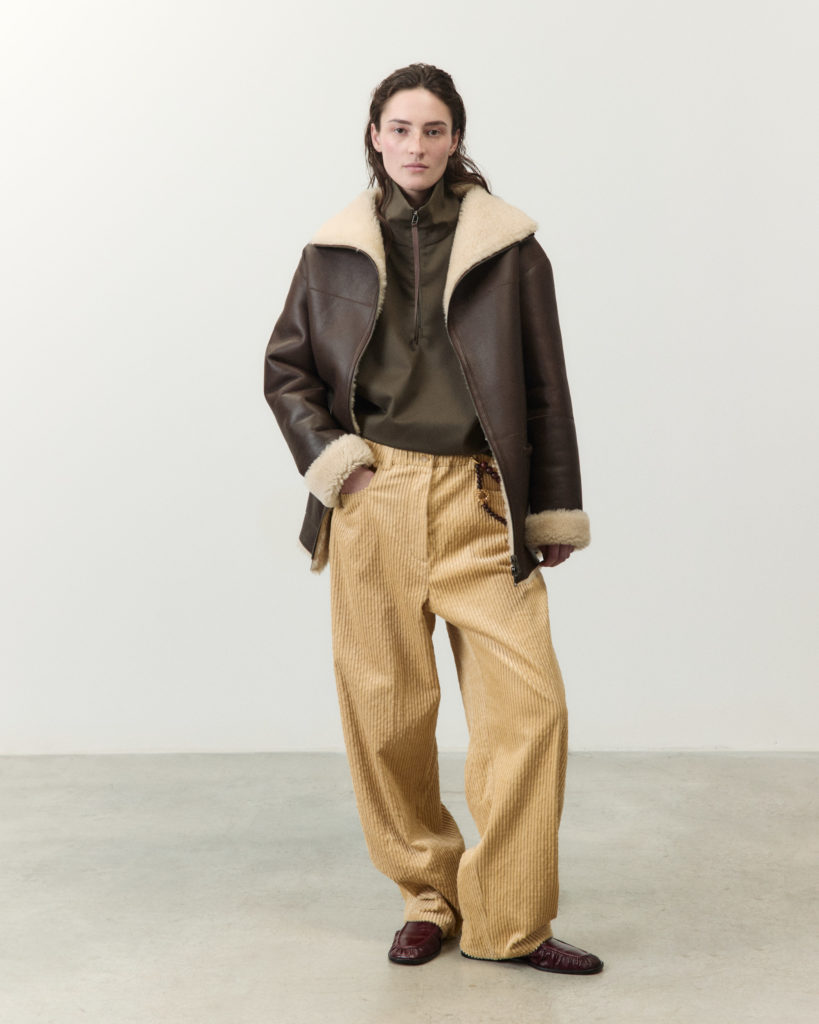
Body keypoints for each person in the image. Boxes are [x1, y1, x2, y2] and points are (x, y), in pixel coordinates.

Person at [263, 63, 603, 976]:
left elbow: (544, 388)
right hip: (372, 498)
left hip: (481, 501)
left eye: (434, 129)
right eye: (401, 128)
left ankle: (510, 923)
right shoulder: (332, 250)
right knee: (387, 718)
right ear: (374, 136)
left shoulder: (509, 247)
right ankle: (427, 897)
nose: (416, 145)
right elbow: (286, 370)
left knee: (529, 711)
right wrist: (339, 466)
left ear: (456, 139)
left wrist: (551, 508)